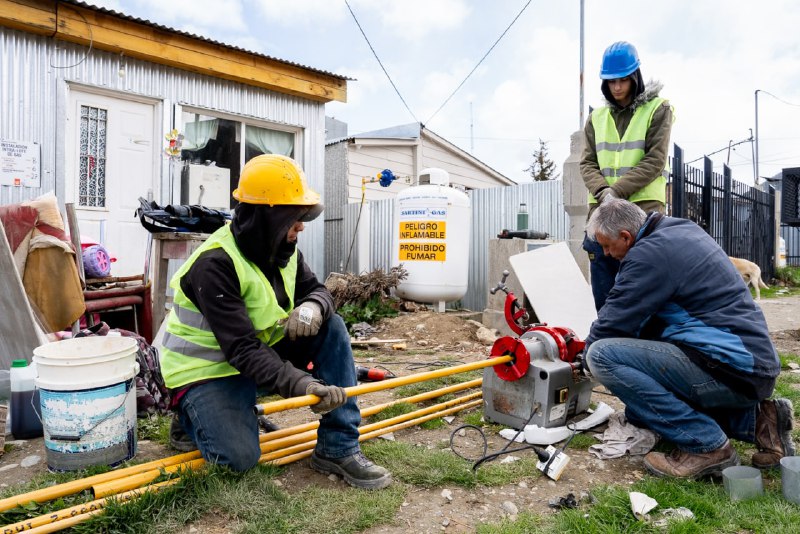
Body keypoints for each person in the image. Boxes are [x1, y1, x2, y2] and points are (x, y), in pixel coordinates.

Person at [159, 154, 392, 490]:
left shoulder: (282, 248)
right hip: (203, 372)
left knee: (332, 326)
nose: (301, 226)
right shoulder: (215, 263)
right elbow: (241, 348)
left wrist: (313, 305)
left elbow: (317, 291)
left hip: (251, 359)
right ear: (266, 217)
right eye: (294, 217)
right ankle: (189, 416)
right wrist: (302, 384)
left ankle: (338, 447)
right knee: (237, 460)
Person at [582, 198, 794, 479]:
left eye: (608, 246)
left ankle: (706, 446)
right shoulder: (680, 229)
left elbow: (614, 321)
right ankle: (758, 423)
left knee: (601, 356)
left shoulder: (649, 255)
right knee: (639, 409)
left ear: (626, 236)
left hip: (729, 367)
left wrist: (582, 358)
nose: (607, 255)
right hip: (751, 366)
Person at [581, 41, 674, 310]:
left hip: (641, 216)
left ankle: (637, 349)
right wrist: (603, 193)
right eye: (611, 82)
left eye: (623, 80)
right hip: (601, 214)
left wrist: (616, 192)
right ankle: (605, 344)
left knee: (641, 293)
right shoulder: (596, 118)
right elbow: (587, 163)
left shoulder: (658, 109)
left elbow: (655, 160)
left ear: (636, 77)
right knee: (604, 291)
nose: (618, 87)